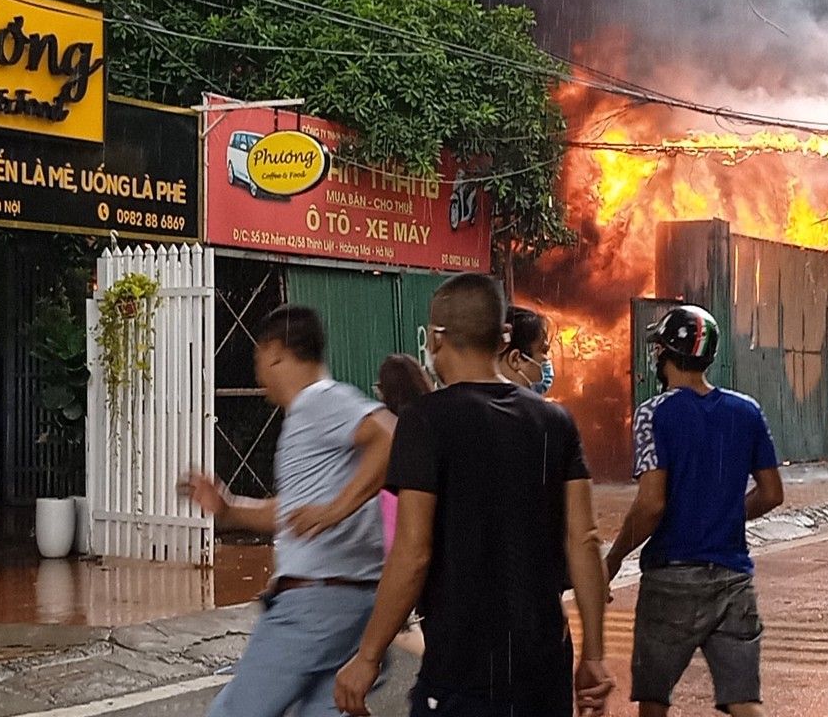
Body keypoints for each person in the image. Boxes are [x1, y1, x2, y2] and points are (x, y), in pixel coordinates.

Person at [334, 273, 613, 717]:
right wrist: (594, 655)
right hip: (543, 665)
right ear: (501, 339)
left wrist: (368, 656)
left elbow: (412, 553)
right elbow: (584, 540)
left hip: (463, 667)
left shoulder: (426, 421)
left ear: (438, 339)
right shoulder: (555, 422)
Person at [182, 304, 397, 717]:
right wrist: (228, 509)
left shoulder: (319, 402)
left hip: (313, 606)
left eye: (258, 358)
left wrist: (336, 510)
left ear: (275, 351)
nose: (258, 373)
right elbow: (292, 512)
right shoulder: (314, 416)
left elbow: (390, 435)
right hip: (353, 606)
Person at [604, 305, 785, 717]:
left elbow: (651, 504)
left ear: (664, 355)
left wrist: (613, 559)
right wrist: (724, 514)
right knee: (744, 703)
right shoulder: (747, 411)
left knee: (654, 701)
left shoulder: (653, 413)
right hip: (734, 579)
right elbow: (772, 493)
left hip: (671, 579)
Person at [373, 353, 433, 658]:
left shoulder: (389, 432)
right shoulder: (435, 422)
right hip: (433, 543)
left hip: (402, 543)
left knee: (400, 628)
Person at [498, 306, 554, 395]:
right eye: (544, 351)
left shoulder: (472, 404)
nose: (548, 360)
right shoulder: (534, 408)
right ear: (515, 359)